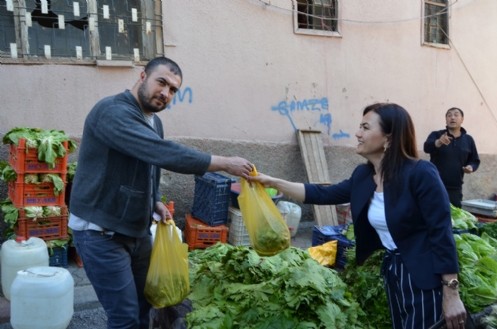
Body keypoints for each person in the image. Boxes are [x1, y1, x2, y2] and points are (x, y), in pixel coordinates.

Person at [68, 56, 253, 329]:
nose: (166, 93)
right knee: (124, 317)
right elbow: (162, 153)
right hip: (100, 231)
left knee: (146, 304)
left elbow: (149, 165)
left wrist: (154, 201)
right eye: (162, 82)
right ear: (143, 76)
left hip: (135, 229)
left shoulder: (154, 122)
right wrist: (223, 162)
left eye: (173, 90)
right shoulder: (112, 112)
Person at [250, 103, 467, 328]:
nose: (357, 133)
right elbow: (322, 193)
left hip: (424, 277)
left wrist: (451, 293)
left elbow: (441, 232)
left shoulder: (421, 173)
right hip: (394, 272)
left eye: (365, 127)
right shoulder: (364, 175)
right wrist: (273, 182)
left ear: (388, 138)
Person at [423, 107, 480, 208]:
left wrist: (471, 167)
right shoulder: (437, 134)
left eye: (456, 115)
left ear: (462, 119)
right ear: (446, 119)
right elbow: (427, 147)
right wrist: (438, 142)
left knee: (454, 218)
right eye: (449, 115)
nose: (452, 117)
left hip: (456, 188)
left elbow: (474, 160)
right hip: (435, 185)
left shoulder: (468, 140)